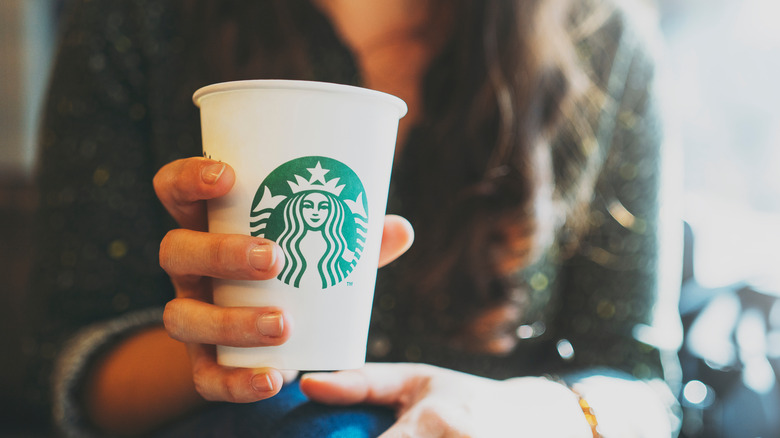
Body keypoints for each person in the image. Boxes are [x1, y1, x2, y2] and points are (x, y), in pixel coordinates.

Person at [23, 0, 683, 436]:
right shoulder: (138, 21)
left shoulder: (601, 36)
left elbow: (640, 384)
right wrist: (219, 341)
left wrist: (528, 417)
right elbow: (59, 376)